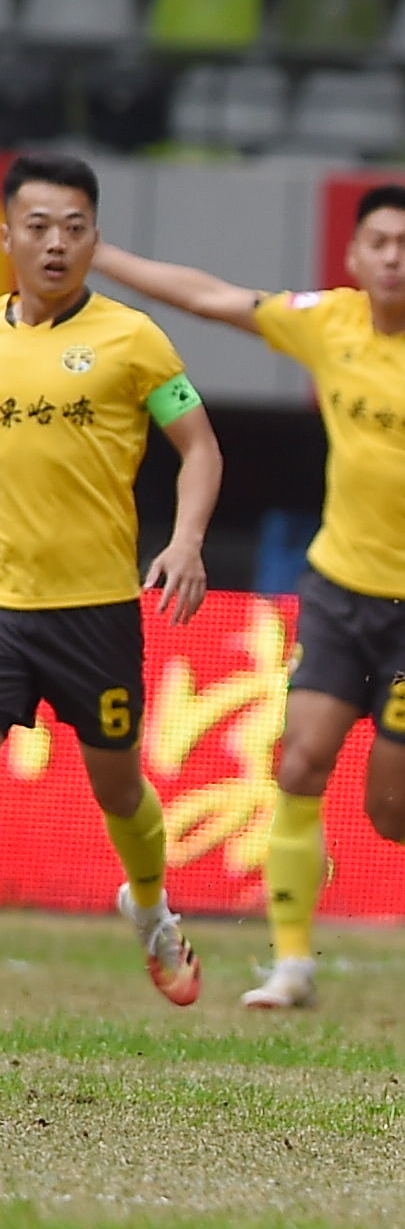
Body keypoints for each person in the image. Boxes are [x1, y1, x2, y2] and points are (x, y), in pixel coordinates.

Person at [95, 185, 405, 1009]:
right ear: (354, 257)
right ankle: (292, 964)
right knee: (298, 763)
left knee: (391, 811)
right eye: (379, 242)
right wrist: (103, 258)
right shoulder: (326, 319)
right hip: (338, 593)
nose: (394, 257)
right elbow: (211, 298)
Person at [0, 152, 222, 1004]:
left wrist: (188, 540)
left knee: (119, 789)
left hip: (94, 611)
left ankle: (152, 910)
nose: (56, 245)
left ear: (95, 236)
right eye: (39, 227)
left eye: (75, 228)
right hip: (6, 608)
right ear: (10, 237)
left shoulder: (133, 343)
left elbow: (198, 446)